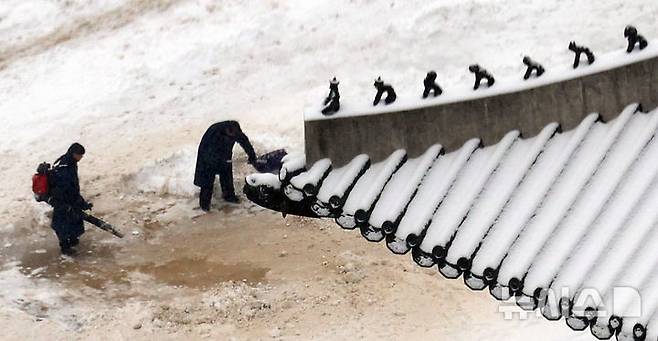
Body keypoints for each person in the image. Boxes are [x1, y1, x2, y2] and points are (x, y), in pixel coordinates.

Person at [194, 121, 257, 211]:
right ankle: (204, 205)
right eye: (230, 135)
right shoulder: (214, 132)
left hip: (224, 156)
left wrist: (252, 156)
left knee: (227, 176)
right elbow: (207, 151)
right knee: (207, 182)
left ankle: (229, 197)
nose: (232, 137)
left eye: (233, 136)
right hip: (207, 157)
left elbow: (244, 142)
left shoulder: (235, 131)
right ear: (226, 130)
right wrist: (217, 161)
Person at [48, 143, 92, 255]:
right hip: (62, 200)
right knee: (62, 224)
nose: (81, 158)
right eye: (80, 155)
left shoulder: (70, 163)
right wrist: (73, 202)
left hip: (69, 199)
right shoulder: (65, 167)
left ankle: (72, 239)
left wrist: (80, 202)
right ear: (74, 154)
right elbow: (66, 187)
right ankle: (65, 247)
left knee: (74, 220)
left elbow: (72, 187)